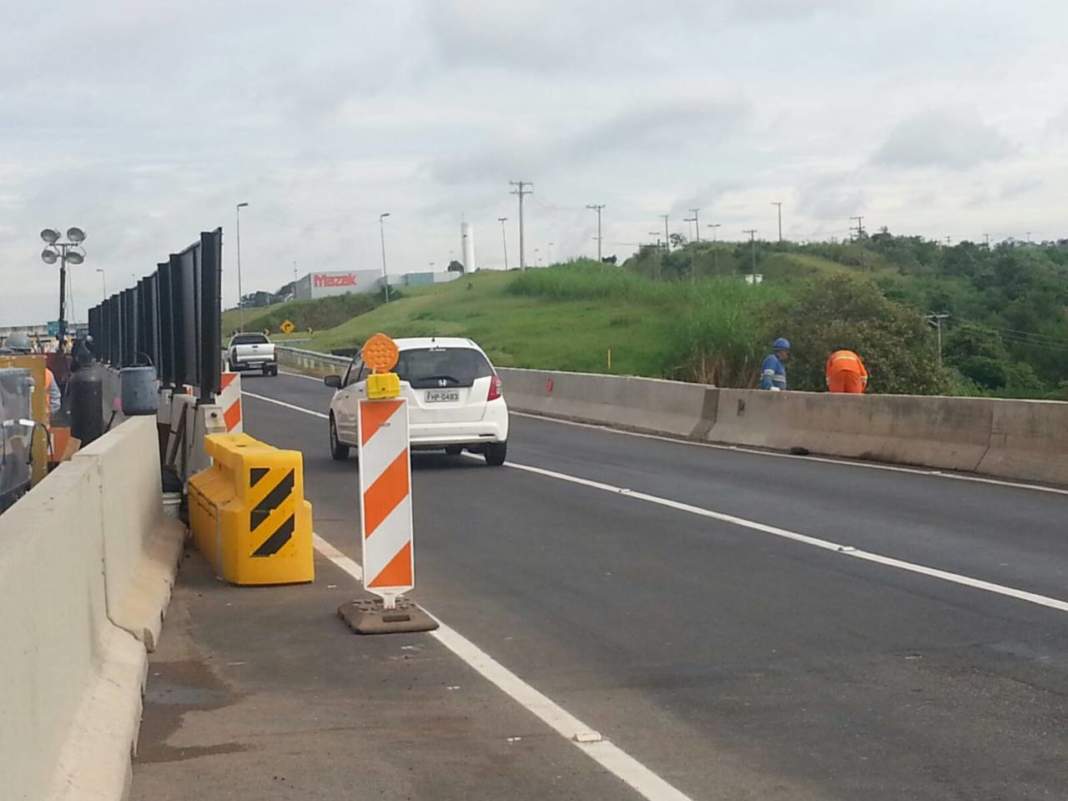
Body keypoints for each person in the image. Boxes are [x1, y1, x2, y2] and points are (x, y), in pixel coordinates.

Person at [4, 332, 61, 416]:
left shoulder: (5, 373)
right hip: (38, 420)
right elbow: (55, 400)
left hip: (12, 420)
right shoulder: (45, 372)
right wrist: (45, 415)